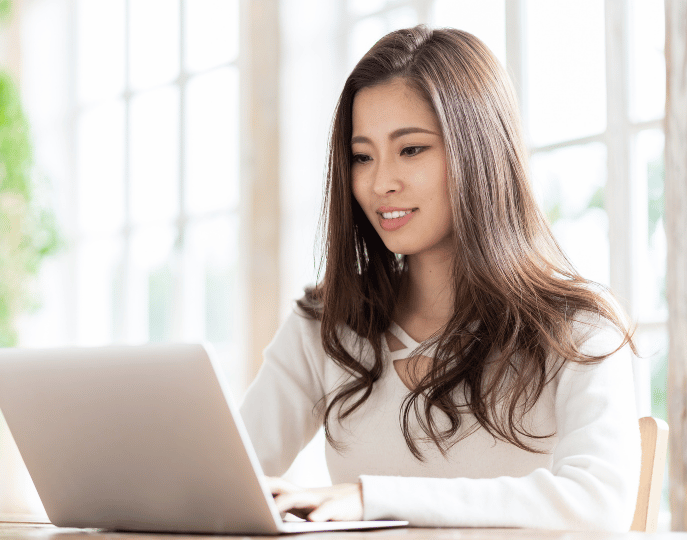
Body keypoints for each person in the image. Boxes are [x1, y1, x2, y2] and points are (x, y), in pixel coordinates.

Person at [239, 25, 641, 531]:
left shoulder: (579, 331)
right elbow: (224, 480)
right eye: (362, 156)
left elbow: (599, 505)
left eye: (411, 149)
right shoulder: (325, 324)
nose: (380, 182)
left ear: (479, 153)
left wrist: (373, 498)